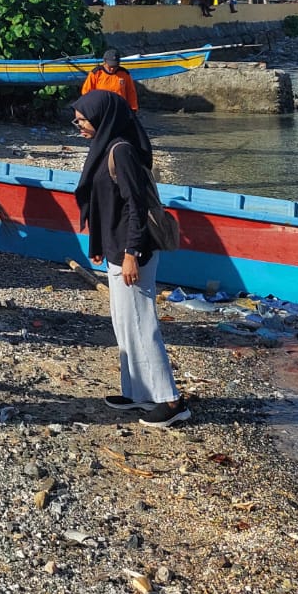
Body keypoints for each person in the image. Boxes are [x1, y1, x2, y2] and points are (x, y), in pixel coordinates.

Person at [70, 91, 189, 427]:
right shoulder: (103, 147)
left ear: (103, 117)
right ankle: (137, 392)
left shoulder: (120, 151)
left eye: (82, 118)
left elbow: (136, 207)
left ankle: (171, 400)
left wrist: (131, 254)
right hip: (115, 248)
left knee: (141, 323)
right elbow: (102, 203)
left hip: (132, 252)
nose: (77, 124)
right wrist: (98, 242)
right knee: (124, 322)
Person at [80, 47, 139, 112]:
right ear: (104, 62)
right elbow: (86, 92)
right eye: (110, 66)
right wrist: (90, 108)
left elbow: (131, 92)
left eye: (115, 66)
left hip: (119, 108)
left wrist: (133, 109)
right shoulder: (96, 73)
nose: (112, 69)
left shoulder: (124, 74)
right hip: (101, 109)